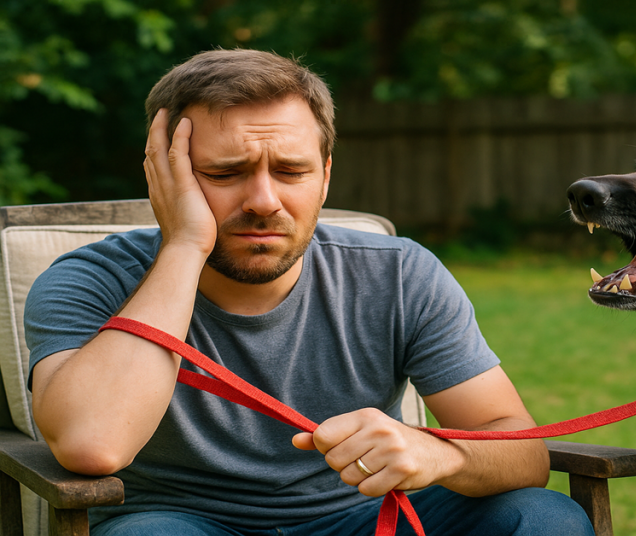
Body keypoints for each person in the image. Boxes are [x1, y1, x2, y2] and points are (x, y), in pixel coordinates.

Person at [24, 49, 594, 536]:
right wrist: (184, 247)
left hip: (366, 517)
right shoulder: (88, 281)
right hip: (180, 520)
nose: (264, 201)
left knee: (542, 517)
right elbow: (92, 446)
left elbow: (520, 448)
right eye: (225, 174)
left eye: (291, 172)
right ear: (164, 175)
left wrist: (437, 452)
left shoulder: (399, 275)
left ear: (325, 175)